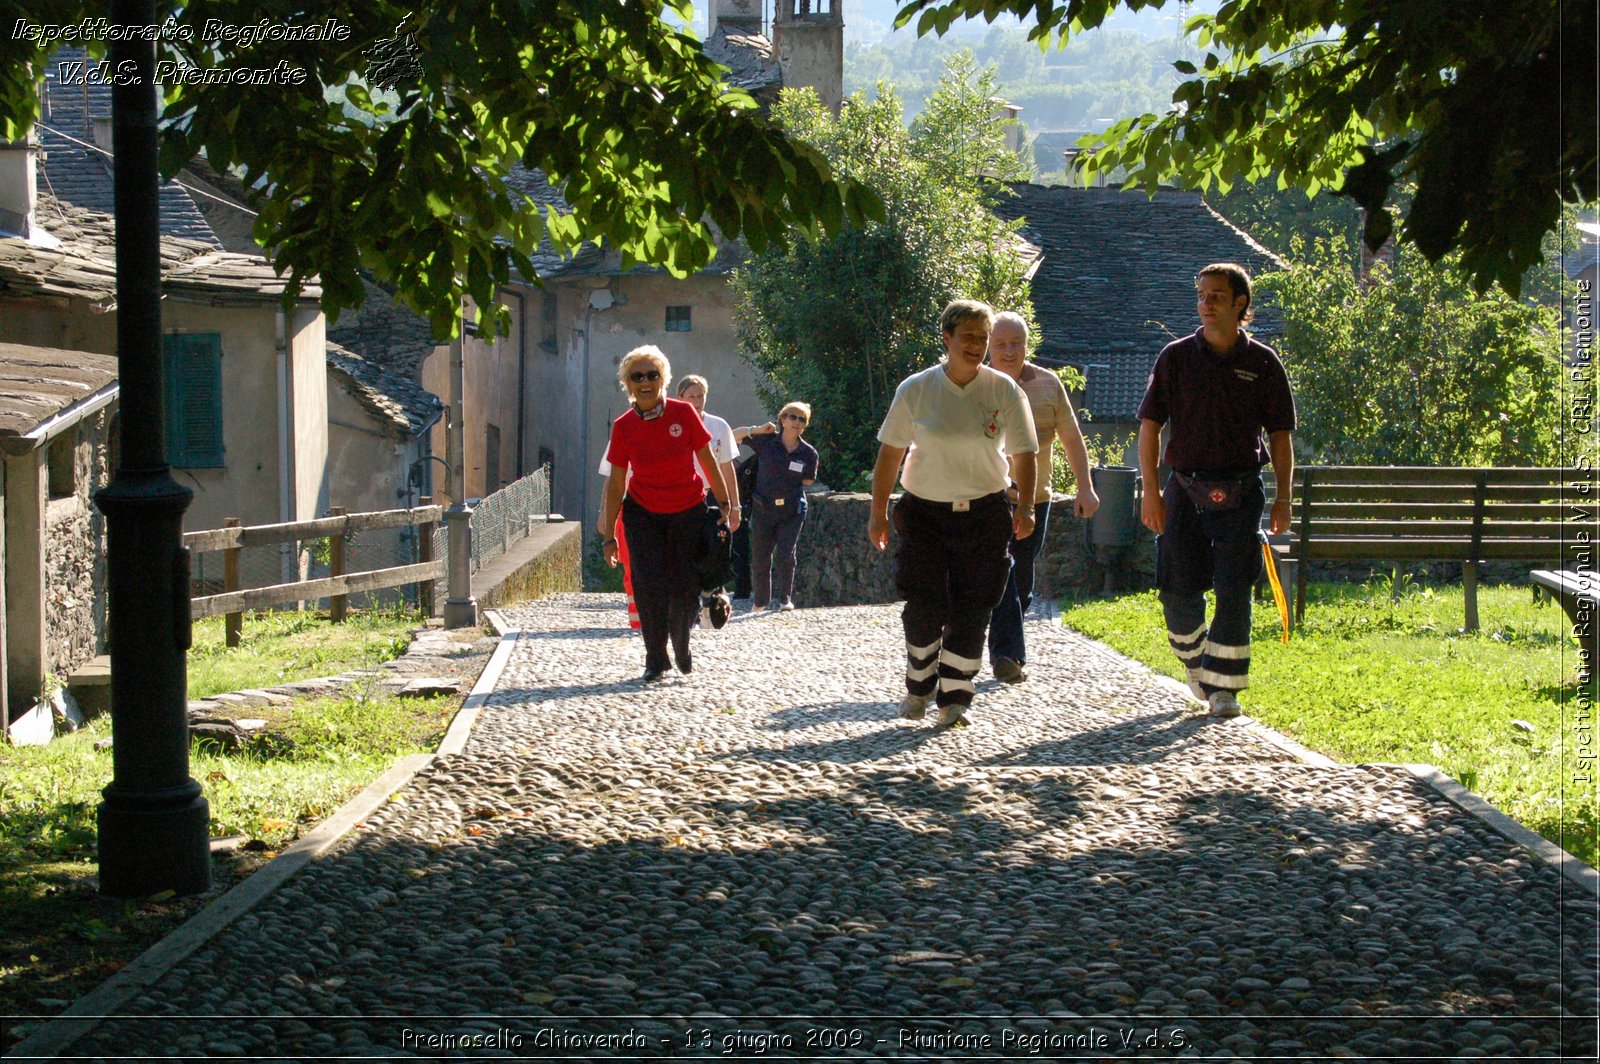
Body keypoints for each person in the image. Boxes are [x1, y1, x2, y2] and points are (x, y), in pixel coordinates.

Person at [868, 299, 1038, 727]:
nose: (978, 346)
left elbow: (1024, 454)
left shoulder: (1003, 390)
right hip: (925, 514)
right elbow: (890, 456)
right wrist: (878, 514)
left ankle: (956, 697)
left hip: (985, 514)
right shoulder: (917, 389)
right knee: (924, 605)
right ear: (947, 338)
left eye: (983, 339)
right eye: (969, 337)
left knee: (973, 606)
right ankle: (918, 685)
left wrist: (1026, 506)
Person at [1137, 263, 1296, 718]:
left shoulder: (1263, 363)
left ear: (1240, 304)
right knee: (1177, 587)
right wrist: (1151, 492)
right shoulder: (1175, 357)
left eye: (1217, 297)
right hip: (1183, 490)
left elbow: (1281, 437)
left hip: (1242, 492)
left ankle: (1224, 688)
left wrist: (1283, 498)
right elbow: (1150, 427)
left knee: (1234, 586)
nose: (1206, 304)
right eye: (1202, 295)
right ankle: (1194, 658)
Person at [599, 346, 739, 681]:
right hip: (642, 513)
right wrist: (608, 535)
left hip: (687, 510)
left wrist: (724, 503)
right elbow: (617, 480)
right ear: (628, 385)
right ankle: (655, 658)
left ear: (663, 380)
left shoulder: (683, 414)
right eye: (637, 376)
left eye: (652, 375)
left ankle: (681, 641)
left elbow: (707, 459)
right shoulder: (623, 426)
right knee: (648, 587)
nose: (645, 381)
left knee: (684, 585)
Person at [984, 312, 1100, 684]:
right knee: (1005, 569)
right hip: (987, 496)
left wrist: (1085, 486)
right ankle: (1007, 655)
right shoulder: (975, 383)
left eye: (1015, 343)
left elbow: (1071, 437)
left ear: (1027, 344)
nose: (1008, 351)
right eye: (1000, 344)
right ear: (988, 345)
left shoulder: (1049, 385)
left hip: (1037, 497)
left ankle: (1003, 638)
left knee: (1020, 579)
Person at [735, 403, 819, 611]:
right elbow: (732, 435)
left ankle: (784, 600)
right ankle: (760, 602)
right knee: (761, 557)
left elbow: (808, 481)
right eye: (793, 417)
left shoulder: (808, 453)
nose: (797, 422)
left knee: (786, 554)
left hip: (792, 510)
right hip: (763, 507)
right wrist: (756, 429)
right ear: (783, 419)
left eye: (802, 419)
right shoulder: (766, 442)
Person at [677, 375, 739, 625]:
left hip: (713, 495)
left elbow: (726, 468)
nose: (697, 400)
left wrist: (735, 505)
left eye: (701, 395)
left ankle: (709, 596)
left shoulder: (718, 426)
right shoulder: (671, 424)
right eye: (691, 395)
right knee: (685, 552)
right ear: (680, 397)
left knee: (714, 549)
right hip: (681, 495)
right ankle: (688, 605)